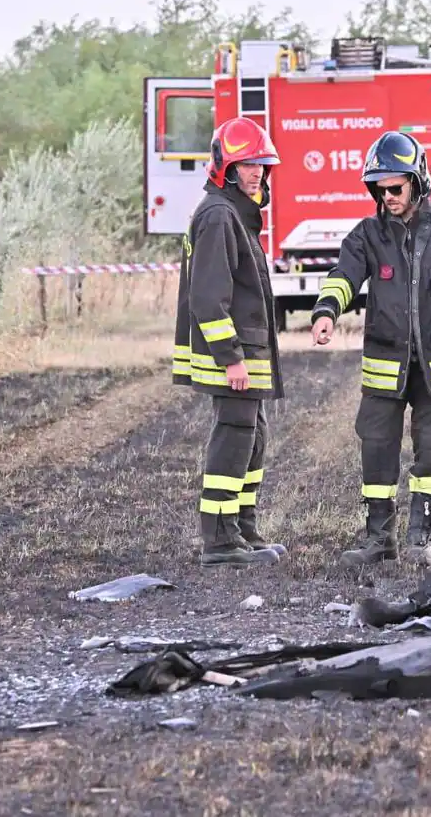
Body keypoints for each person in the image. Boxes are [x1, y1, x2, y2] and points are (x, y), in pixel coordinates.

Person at [309, 130, 431, 568]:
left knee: (430, 453)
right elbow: (344, 276)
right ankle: (378, 541)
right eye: (379, 188)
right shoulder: (367, 234)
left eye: (395, 186)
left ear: (418, 180)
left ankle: (419, 539)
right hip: (385, 364)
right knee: (376, 449)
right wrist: (325, 312)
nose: (386, 196)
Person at [173, 116, 287, 568]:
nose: (256, 172)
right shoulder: (219, 216)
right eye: (246, 165)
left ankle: (242, 528)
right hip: (234, 357)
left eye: (260, 164)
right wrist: (230, 360)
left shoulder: (234, 213)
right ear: (225, 167)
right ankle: (219, 541)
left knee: (252, 437)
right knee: (235, 436)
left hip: (246, 353)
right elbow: (208, 297)